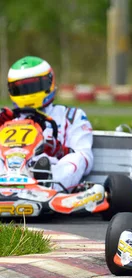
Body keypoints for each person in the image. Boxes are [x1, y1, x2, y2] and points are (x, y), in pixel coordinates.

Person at [0, 56, 93, 190]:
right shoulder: (7, 118)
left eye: (33, 86)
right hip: (7, 171)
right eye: (22, 88)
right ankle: (9, 186)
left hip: (51, 172)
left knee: (76, 158)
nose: (28, 93)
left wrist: (59, 150)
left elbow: (85, 158)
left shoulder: (70, 116)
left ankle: (47, 186)